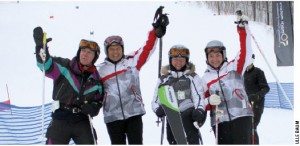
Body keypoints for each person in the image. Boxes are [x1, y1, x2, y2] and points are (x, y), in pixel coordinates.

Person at [97, 7, 169, 144]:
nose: (115, 52)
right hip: (113, 117)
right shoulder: (100, 70)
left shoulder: (132, 62)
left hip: (134, 114)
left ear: (122, 49)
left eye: (118, 48)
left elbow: (147, 49)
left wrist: (155, 32)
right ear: (107, 51)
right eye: (111, 49)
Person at [33, 27, 103, 144]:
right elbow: (45, 64)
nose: (85, 54)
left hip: (82, 119)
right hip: (61, 117)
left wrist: (94, 108)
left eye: (89, 52)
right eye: (83, 51)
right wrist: (40, 46)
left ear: (94, 57)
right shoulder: (65, 67)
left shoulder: (96, 79)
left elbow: (98, 100)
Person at [201, 21, 254, 144]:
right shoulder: (205, 79)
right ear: (207, 58)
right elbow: (200, 103)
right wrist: (208, 101)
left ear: (223, 55)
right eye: (211, 56)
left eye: (218, 55)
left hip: (241, 117)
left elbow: (246, 52)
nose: (215, 59)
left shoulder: (234, 67)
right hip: (220, 123)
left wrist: (242, 29)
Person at [151, 45, 206, 144]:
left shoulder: (192, 76)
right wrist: (157, 109)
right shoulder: (164, 79)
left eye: (182, 60)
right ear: (170, 60)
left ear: (186, 61)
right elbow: (155, 100)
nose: (179, 62)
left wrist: (199, 110)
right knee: (173, 140)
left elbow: (198, 96)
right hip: (172, 115)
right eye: (175, 59)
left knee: (191, 138)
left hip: (188, 113)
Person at [244, 54, 270, 144]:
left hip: (257, 104)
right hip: (246, 104)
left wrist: (257, 96)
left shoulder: (258, 72)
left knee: (252, 126)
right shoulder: (244, 74)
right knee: (246, 127)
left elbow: (266, 88)